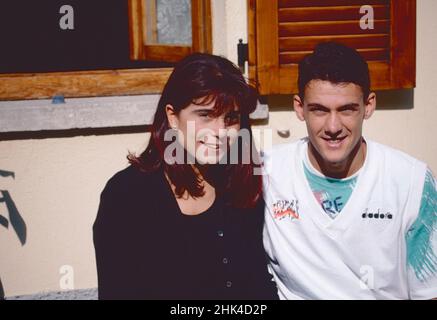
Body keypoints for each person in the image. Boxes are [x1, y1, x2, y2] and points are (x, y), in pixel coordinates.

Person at [93, 53, 278, 300]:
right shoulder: (127, 195)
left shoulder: (240, 183)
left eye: (231, 118)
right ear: (172, 116)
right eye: (205, 115)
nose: (220, 132)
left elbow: (256, 281)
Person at [262, 42, 437, 299]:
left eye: (346, 109)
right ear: (300, 108)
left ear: (368, 106)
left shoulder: (411, 181)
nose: (333, 126)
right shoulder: (267, 171)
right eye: (319, 110)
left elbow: (429, 292)